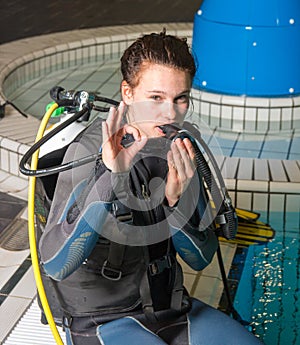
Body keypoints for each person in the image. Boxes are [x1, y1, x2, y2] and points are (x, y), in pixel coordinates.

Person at [39, 30, 262, 344]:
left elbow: (201, 258)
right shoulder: (88, 151)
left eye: (180, 98)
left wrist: (175, 202)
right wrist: (111, 178)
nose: (170, 113)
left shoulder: (179, 147)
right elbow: (56, 264)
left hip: (170, 308)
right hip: (102, 318)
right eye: (156, 98)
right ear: (128, 93)